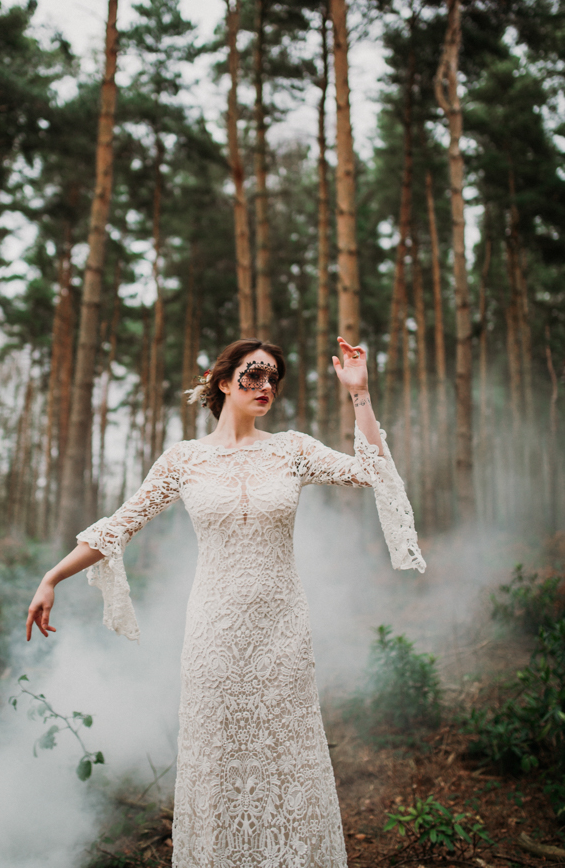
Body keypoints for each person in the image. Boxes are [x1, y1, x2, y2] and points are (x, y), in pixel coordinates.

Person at [27, 336, 425, 868]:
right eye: (254, 375)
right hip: (214, 636)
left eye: (273, 378)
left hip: (283, 634)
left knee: (286, 761)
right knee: (219, 765)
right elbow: (118, 525)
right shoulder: (183, 460)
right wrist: (52, 577)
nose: (266, 386)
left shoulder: (293, 448)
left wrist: (360, 395)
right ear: (223, 381)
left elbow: (370, 471)